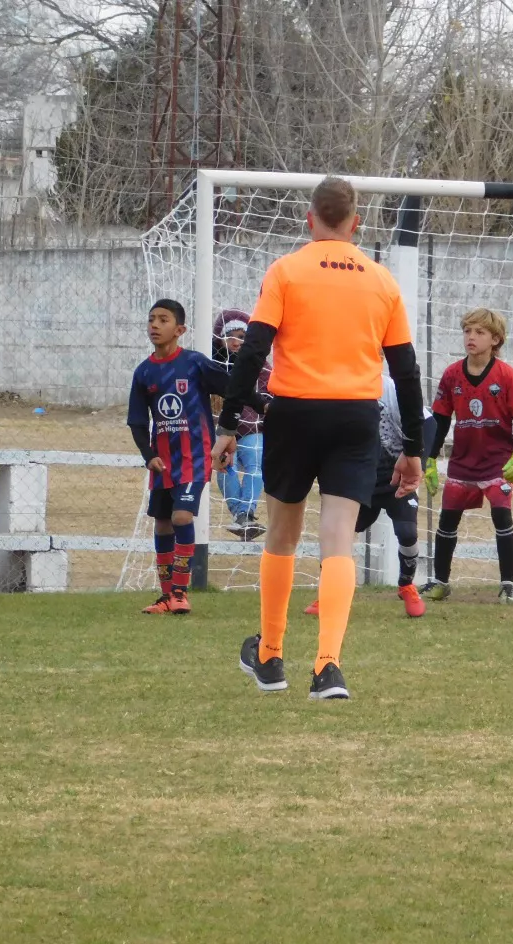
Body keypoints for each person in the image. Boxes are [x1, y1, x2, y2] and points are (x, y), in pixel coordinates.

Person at [214, 176, 425, 700]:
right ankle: (328, 666)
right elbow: (406, 371)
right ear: (356, 223)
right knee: (338, 543)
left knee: (283, 534)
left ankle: (270, 657)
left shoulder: (287, 270)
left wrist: (228, 424)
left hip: (294, 413)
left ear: (310, 219)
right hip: (356, 416)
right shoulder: (381, 282)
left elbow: (252, 350)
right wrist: (416, 449)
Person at [422, 308, 513, 603]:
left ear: (495, 339)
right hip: (463, 461)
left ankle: (508, 583)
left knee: (501, 516)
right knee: (447, 522)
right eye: (467, 331)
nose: (471, 337)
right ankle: (440, 582)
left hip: (498, 462)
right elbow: (440, 420)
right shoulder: (451, 375)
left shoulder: (507, 376)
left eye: (479, 332)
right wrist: (429, 459)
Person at [127, 299, 228, 617]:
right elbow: (138, 421)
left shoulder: (195, 364)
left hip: (194, 457)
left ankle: (182, 593)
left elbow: (232, 388)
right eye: (151, 319)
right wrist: (149, 455)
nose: (154, 325)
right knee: (162, 525)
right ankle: (166, 595)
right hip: (163, 463)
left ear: (180, 329)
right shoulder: (144, 372)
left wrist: (232, 429)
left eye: (163, 320)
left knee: (183, 518)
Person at [306, 373, 436, 619]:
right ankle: (328, 593)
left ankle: (406, 584)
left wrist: (418, 459)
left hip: (395, 477)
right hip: (359, 478)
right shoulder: (334, 388)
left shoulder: (389, 388)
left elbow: (428, 424)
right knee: (335, 533)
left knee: (407, 533)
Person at [213, 310, 270, 540]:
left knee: (256, 466)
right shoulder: (213, 364)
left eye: (242, 336)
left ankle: (246, 513)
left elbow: (267, 393)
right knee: (225, 468)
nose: (237, 341)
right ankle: (240, 515)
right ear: (221, 338)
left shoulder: (260, 363)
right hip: (223, 430)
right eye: (231, 336)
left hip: (252, 428)